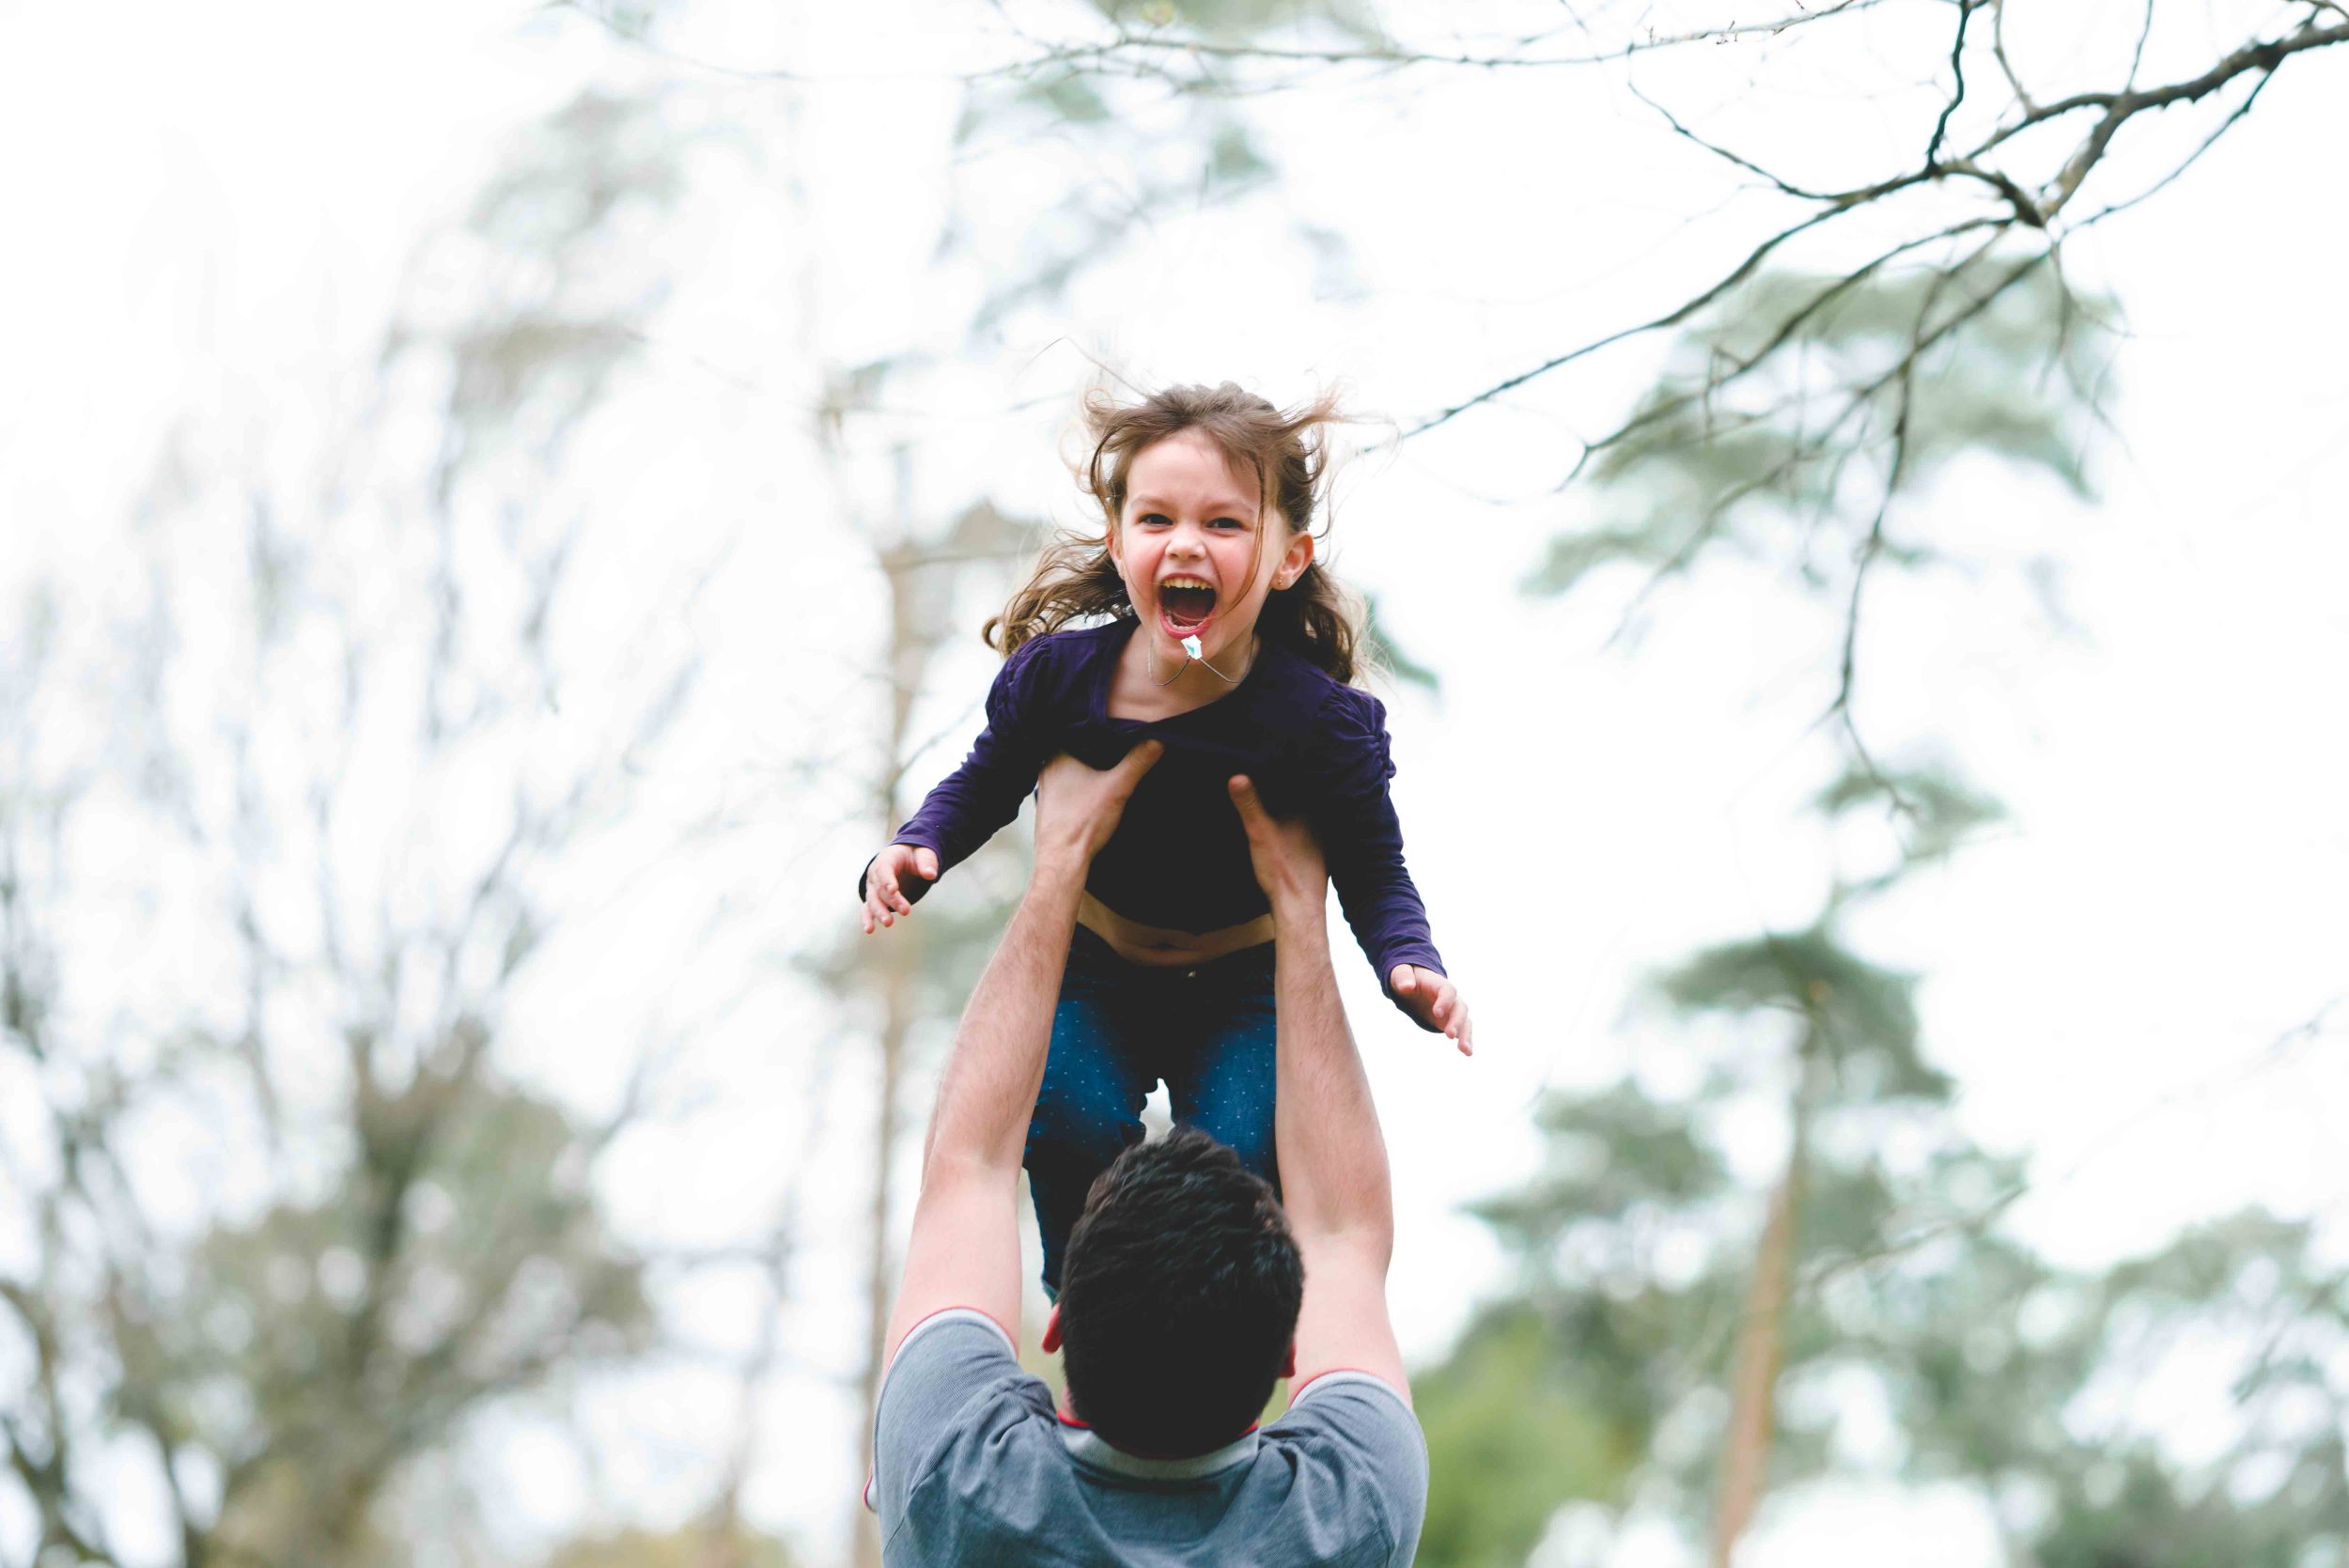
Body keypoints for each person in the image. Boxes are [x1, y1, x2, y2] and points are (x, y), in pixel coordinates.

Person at [858, 380, 1470, 1294]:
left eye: (1224, 524)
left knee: (1241, 1146)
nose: (1185, 542)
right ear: (1119, 543)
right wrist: (918, 845)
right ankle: (1085, 1295)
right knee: (1061, 1109)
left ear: (1286, 558)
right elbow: (986, 776)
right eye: (1156, 519)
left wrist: (1409, 964)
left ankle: (1227, 1321)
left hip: (1239, 985)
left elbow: (1375, 870)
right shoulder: (1061, 680)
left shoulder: (1318, 722)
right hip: (1096, 961)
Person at [868, 743, 1428, 1565]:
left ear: (1056, 1321)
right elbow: (1346, 1232)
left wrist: (1058, 862)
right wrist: (1301, 907)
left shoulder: (953, 1478)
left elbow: (970, 1170)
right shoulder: (1351, 1513)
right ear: (1287, 1357)